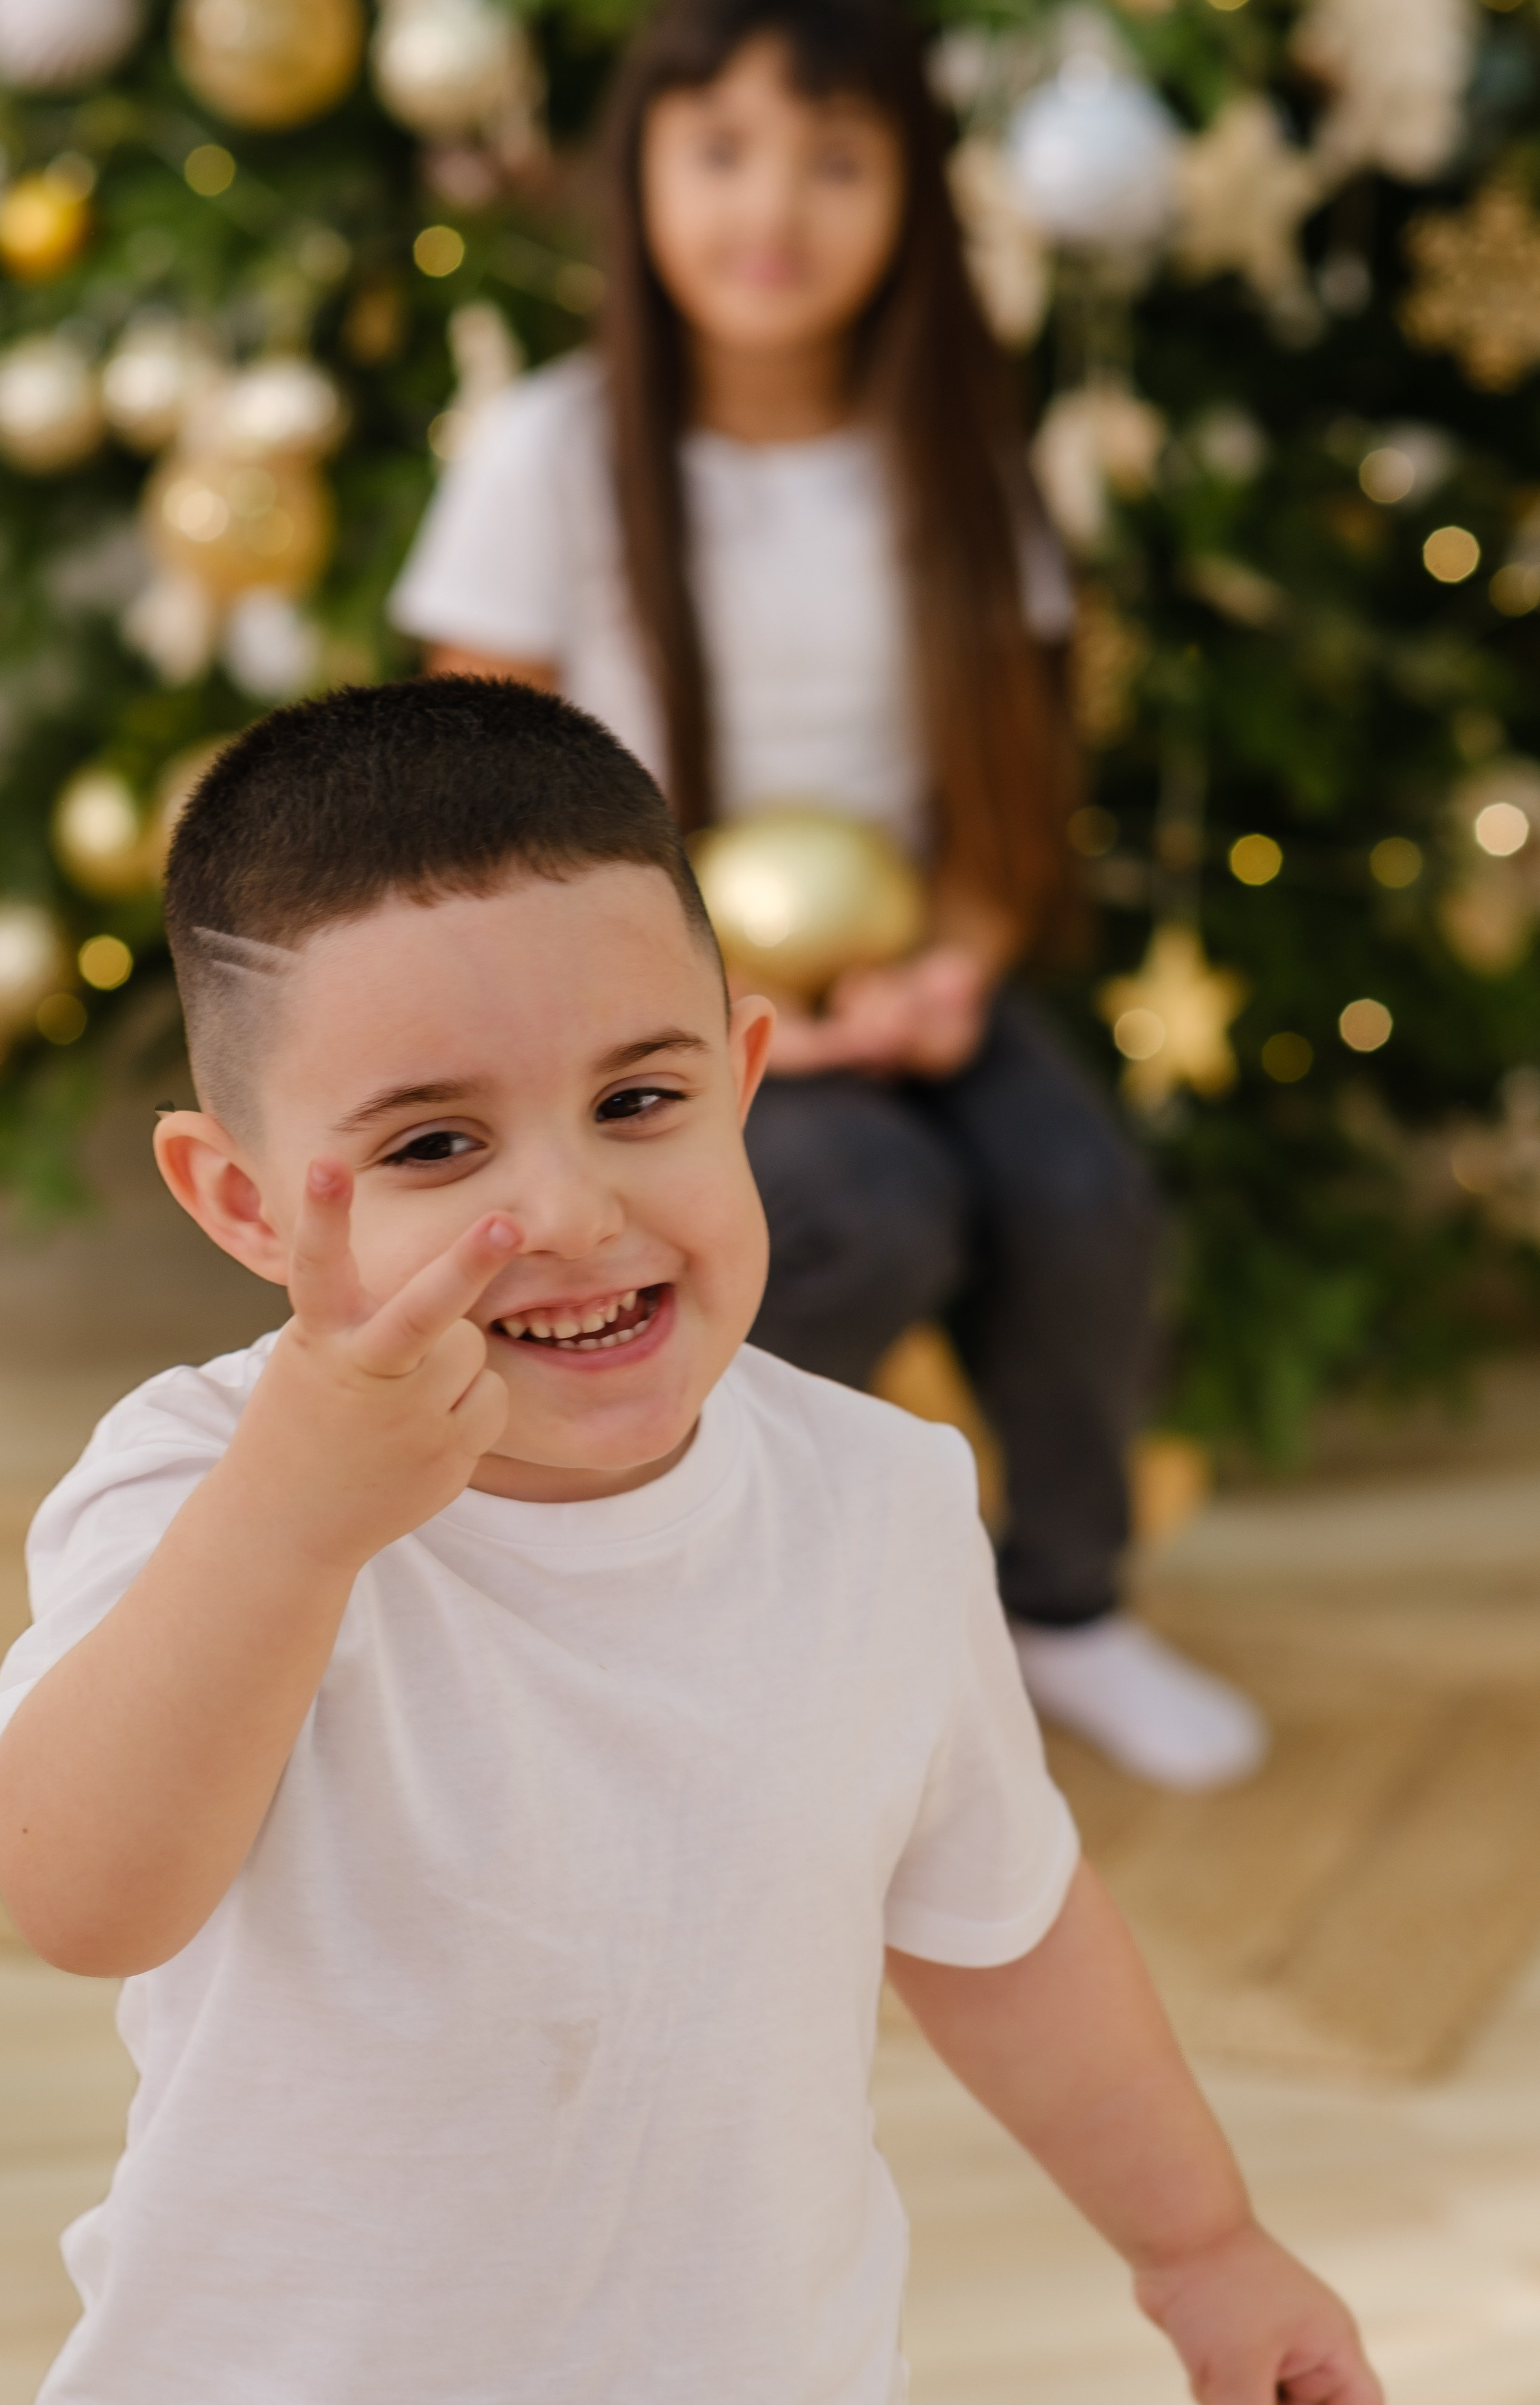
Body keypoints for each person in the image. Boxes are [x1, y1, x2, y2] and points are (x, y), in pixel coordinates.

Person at [0, 677, 1391, 2405]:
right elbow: (84, 1894)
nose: (567, 1208)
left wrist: (1201, 2245)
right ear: (242, 1201)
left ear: (749, 1076)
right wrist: (296, 1521)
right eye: (432, 1146)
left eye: (639, 1099)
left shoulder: (879, 1496)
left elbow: (1004, 1923)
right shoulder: (193, 1487)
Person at [389, 0, 1267, 1793]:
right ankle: (689, 1584)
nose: (773, 205)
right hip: (636, 1022)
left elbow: (1005, 789)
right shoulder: (550, 453)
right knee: (861, 1205)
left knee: (1078, 1193)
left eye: (839, 160)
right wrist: (683, 1027)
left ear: (914, 202)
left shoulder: (953, 461)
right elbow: (472, 814)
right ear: (639, 175)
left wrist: (957, 970)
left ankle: (1066, 1604)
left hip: (908, 967)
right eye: (722, 150)